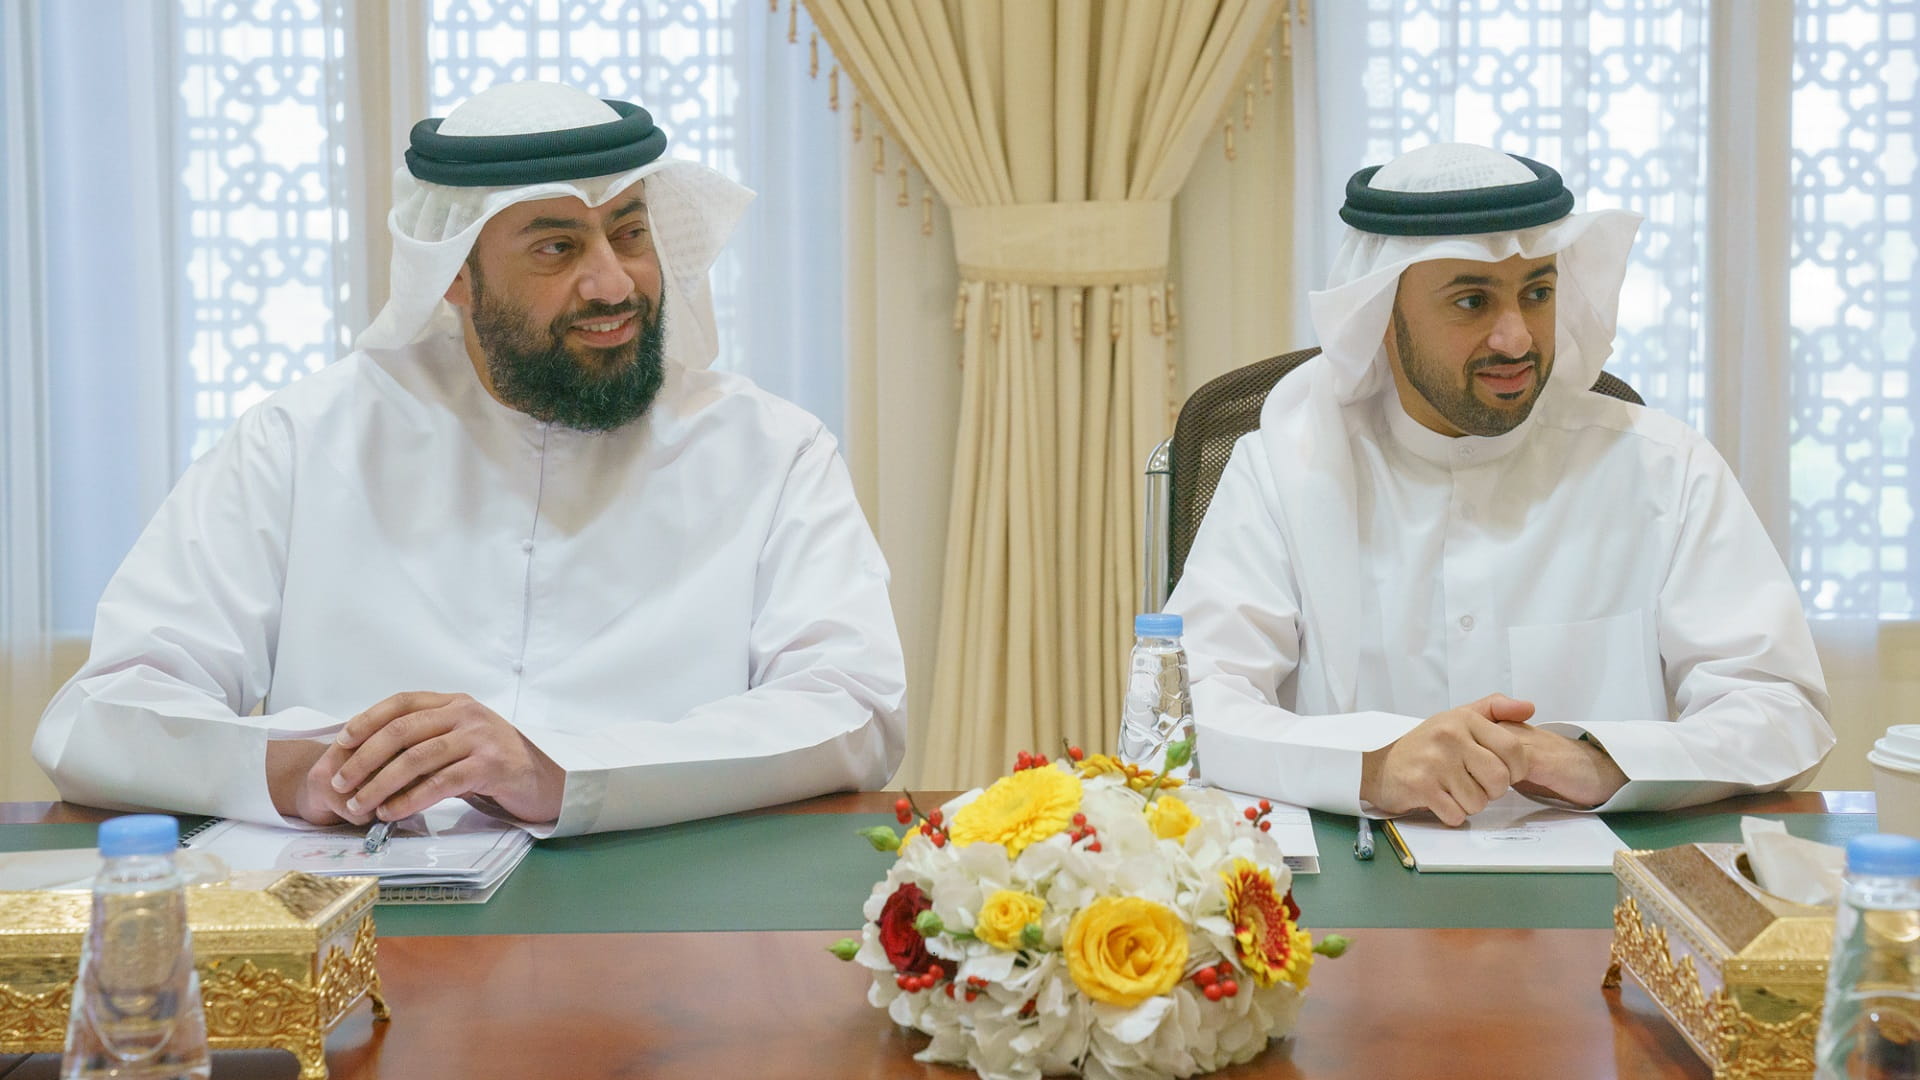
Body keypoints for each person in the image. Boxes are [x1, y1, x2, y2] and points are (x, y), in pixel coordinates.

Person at [34, 81, 906, 837]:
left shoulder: (771, 451)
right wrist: (302, 772)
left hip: (671, 924)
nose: (613, 282)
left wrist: (559, 772)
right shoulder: (303, 441)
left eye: (630, 234)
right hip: (375, 936)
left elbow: (852, 708)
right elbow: (97, 717)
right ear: (455, 274)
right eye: (557, 247)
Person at [1167, 142, 1833, 824]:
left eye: (1537, 294)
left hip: (1605, 888)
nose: (1515, 339)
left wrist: (1601, 762)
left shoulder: (1663, 467)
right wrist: (1373, 764)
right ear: (1383, 317)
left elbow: (1782, 710)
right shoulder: (1284, 472)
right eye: (1472, 301)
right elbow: (1186, 712)